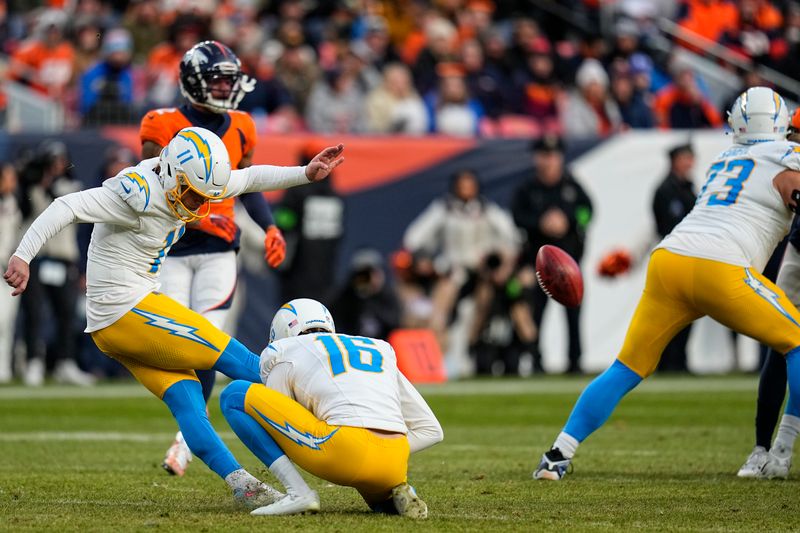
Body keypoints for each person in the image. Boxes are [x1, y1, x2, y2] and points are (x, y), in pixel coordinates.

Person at [4, 125, 344, 508]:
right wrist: (23, 254)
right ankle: (338, 409)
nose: (197, 205)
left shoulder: (192, 177)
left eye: (204, 197)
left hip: (112, 326)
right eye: (192, 194)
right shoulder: (135, 192)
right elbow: (64, 207)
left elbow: (248, 178)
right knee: (242, 360)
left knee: (187, 401)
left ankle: (243, 486)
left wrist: (304, 174)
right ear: (169, 171)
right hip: (127, 309)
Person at [533, 86, 800, 481]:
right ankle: (781, 449)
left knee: (626, 367)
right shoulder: (787, 157)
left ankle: (557, 455)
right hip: (722, 268)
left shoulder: (724, 159)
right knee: (796, 343)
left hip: (669, 262)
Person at [139, 40, 287, 477]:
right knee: (179, 345)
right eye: (217, 79)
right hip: (170, 250)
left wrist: (270, 226)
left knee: (206, 342)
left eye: (229, 79)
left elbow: (247, 184)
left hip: (220, 254)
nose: (225, 87)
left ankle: (186, 443)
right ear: (192, 81)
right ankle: (191, 434)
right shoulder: (161, 122)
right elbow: (154, 187)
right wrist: (202, 221)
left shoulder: (242, 124)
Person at [219, 298, 443, 517]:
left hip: (342, 449)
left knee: (235, 393)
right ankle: (388, 496)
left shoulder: (284, 348)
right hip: (394, 461)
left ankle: (298, 493)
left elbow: (280, 429)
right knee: (373, 487)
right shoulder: (378, 347)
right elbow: (432, 430)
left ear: (281, 332)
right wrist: (381, 448)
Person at [737, 108, 800, 480]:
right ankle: (767, 448)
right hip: (799, 251)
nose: (792, 143)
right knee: (784, 345)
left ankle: (780, 447)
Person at [511, 135, 593, 374]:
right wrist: (540, 223)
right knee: (536, 314)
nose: (548, 161)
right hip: (538, 266)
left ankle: (575, 362)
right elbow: (517, 217)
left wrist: (568, 221)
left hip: (568, 266)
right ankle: (536, 362)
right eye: (544, 156)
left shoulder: (571, 186)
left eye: (553, 156)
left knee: (574, 315)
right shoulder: (527, 189)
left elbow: (588, 212)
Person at [651, 143, 697, 372]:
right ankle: (667, 361)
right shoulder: (666, 190)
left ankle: (679, 360)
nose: (689, 162)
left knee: (687, 313)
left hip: (689, 257)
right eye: (684, 158)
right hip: (674, 256)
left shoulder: (689, 187)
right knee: (670, 313)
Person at [0, 162, 20, 383]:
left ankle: (3, 367)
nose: (11, 182)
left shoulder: (13, 202)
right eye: (8, 177)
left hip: (9, 269)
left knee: (7, 321)